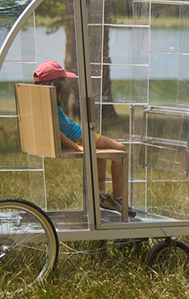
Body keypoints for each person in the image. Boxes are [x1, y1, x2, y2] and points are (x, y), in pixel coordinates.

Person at [33, 60, 134, 217]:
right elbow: (54, 130)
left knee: (105, 151)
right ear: (55, 83)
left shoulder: (41, 101)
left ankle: (102, 195)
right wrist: (77, 146)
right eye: (63, 79)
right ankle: (118, 198)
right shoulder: (48, 104)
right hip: (80, 139)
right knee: (121, 150)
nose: (65, 82)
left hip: (80, 137)